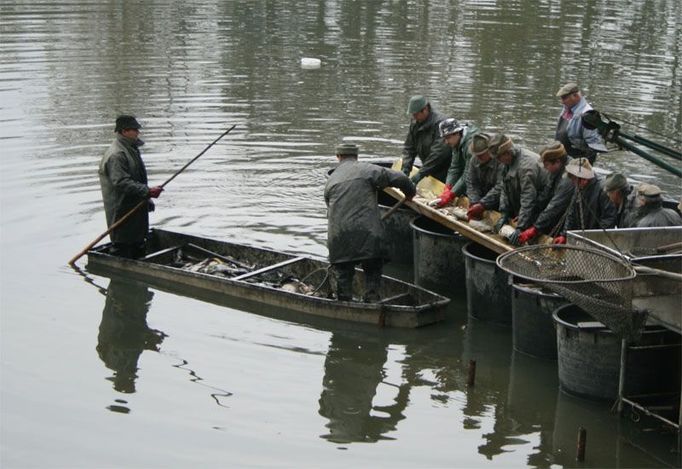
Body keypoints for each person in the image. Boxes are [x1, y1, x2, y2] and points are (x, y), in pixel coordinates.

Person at [324, 143, 416, 302]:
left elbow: (330, 207)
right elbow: (401, 178)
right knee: (372, 269)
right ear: (356, 156)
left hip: (339, 238)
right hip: (369, 235)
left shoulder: (331, 180)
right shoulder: (369, 170)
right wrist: (410, 192)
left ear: (338, 157)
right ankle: (372, 300)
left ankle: (344, 302)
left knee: (343, 276)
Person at [99, 115, 163, 258]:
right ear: (124, 131)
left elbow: (137, 178)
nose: (137, 132)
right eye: (134, 129)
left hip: (135, 207)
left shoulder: (131, 149)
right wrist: (147, 191)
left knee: (138, 242)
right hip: (121, 210)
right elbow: (121, 182)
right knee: (123, 244)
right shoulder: (116, 154)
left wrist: (147, 198)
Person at [514, 142, 575, 245]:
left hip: (571, 217)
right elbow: (545, 195)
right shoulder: (555, 171)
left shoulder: (568, 177)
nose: (545, 168)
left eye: (546, 165)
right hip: (559, 211)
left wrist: (535, 228)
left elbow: (554, 206)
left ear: (557, 162)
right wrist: (529, 214)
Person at [488, 134, 545, 242]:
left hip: (541, 206)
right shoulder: (507, 162)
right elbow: (504, 188)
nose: (498, 161)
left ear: (507, 153)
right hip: (528, 207)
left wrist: (521, 227)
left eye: (499, 158)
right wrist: (504, 213)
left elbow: (528, 197)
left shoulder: (526, 166)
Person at [553, 158, 617, 244]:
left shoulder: (602, 190)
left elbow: (609, 219)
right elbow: (571, 213)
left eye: (575, 179)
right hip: (583, 237)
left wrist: (596, 238)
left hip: (596, 239)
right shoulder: (578, 188)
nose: (574, 182)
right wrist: (564, 235)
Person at [400, 95, 451, 185]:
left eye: (416, 114)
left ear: (425, 109)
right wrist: (405, 169)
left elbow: (438, 154)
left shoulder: (441, 124)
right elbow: (409, 148)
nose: (414, 117)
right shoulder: (415, 123)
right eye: (412, 114)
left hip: (445, 171)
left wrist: (420, 174)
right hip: (428, 168)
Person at [429, 118, 481, 208]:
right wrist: (448, 188)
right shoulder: (457, 142)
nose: (446, 142)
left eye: (448, 138)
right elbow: (454, 168)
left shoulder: (471, 145)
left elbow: (468, 174)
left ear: (457, 133)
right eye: (444, 138)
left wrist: (452, 194)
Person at [555, 82, 607, 164]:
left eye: (564, 98)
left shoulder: (588, 115)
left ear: (576, 96)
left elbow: (593, 146)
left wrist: (581, 164)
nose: (562, 102)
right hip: (562, 154)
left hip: (577, 159)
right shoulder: (567, 107)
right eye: (561, 98)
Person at [465, 133, 502, 220]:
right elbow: (471, 182)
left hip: (498, 201)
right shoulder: (474, 160)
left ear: (490, 151)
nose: (478, 157)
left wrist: (482, 204)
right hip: (482, 198)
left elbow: (500, 186)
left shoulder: (500, 162)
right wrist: (474, 201)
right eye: (476, 155)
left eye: (481, 154)